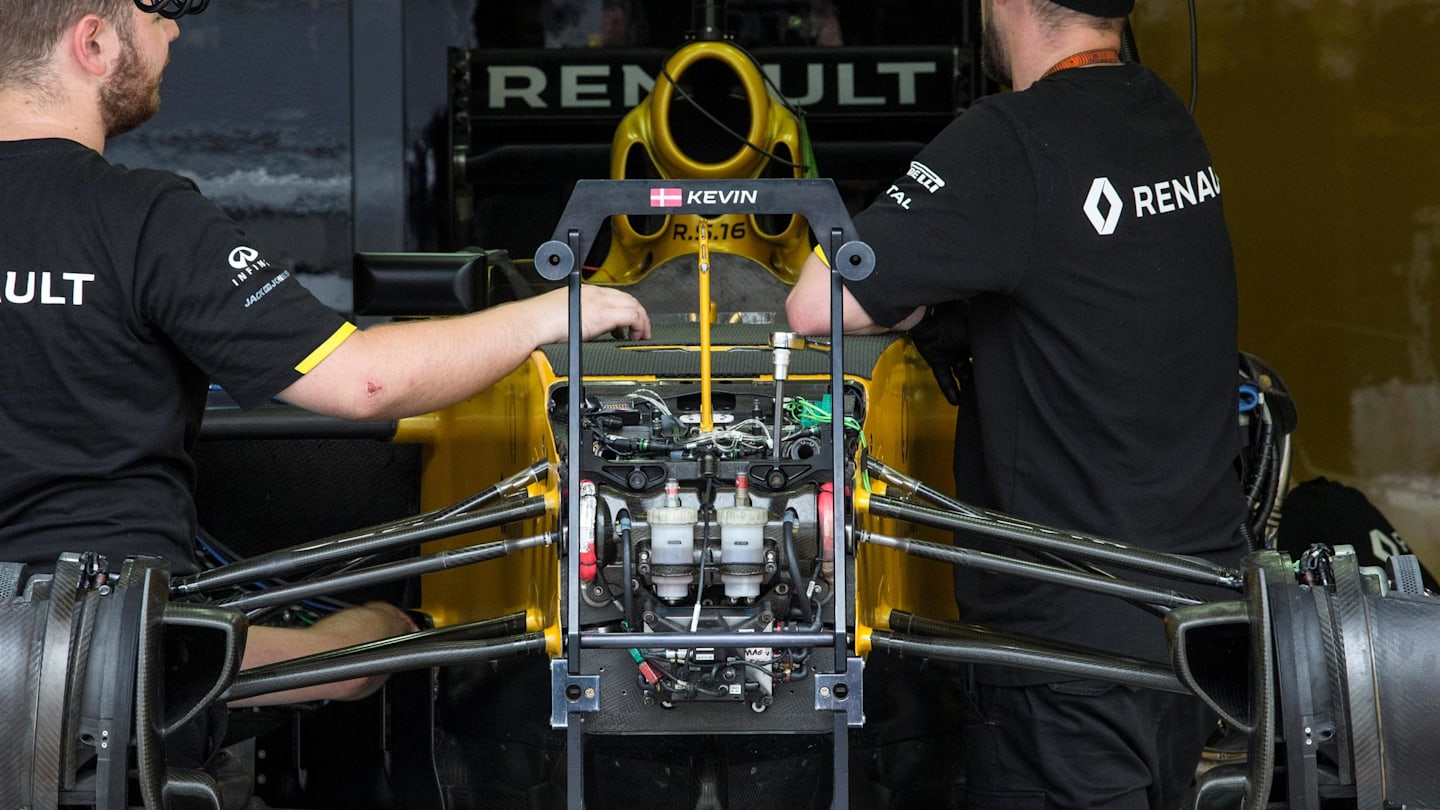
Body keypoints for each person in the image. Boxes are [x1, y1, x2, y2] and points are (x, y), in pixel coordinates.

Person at [0, 0, 651, 709]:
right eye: (156, 12)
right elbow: (363, 382)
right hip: (110, 665)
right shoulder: (142, 219)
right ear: (91, 42)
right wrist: (547, 313)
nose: (176, 29)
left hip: (83, 658)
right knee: (367, 649)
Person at [786, 0, 1246, 806]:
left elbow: (817, 303)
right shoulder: (1170, 119)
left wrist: (922, 293)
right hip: (1193, 623)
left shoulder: (1010, 140)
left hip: (1066, 655)